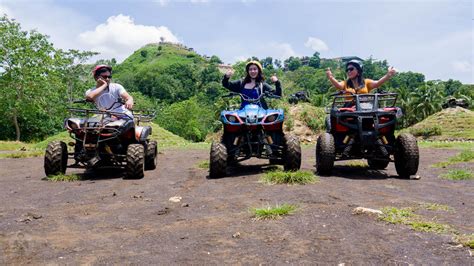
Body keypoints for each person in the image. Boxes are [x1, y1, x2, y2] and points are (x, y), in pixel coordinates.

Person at [326, 60, 396, 95]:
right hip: (350, 110)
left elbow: (377, 83)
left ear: (358, 71)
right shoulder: (345, 83)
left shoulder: (366, 82)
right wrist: (331, 77)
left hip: (366, 108)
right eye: (347, 70)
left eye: (351, 69)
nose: (349, 71)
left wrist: (388, 75)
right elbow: (338, 85)